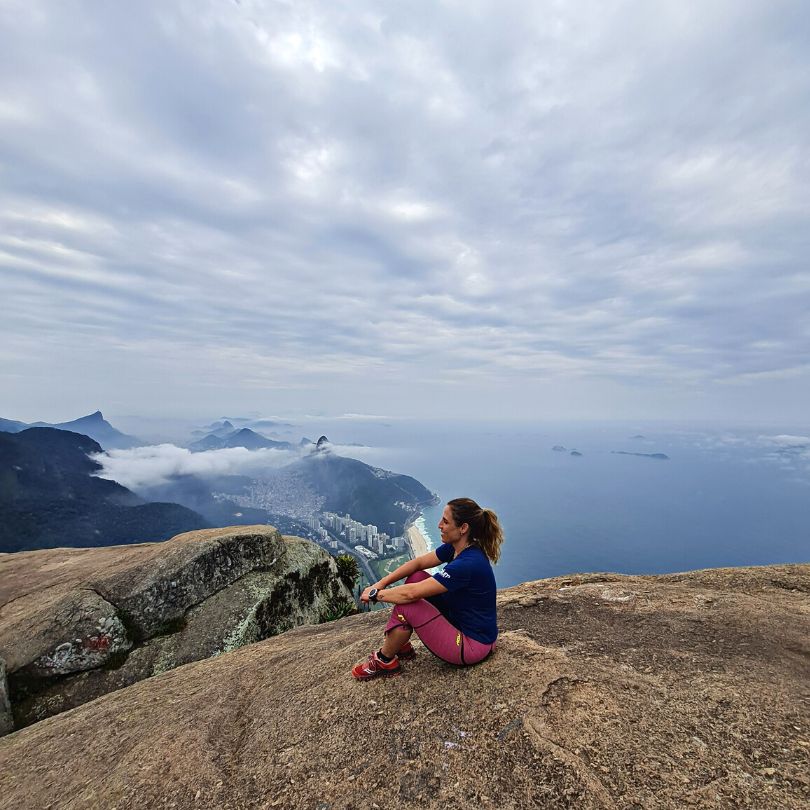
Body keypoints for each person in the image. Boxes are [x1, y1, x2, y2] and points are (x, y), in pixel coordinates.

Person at [351, 497, 503, 680]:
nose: (439, 525)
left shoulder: (467, 564)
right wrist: (381, 582)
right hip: (462, 624)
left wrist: (376, 594)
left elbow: (411, 594)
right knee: (416, 577)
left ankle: (384, 660)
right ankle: (400, 644)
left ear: (463, 528)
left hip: (471, 646)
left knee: (407, 605)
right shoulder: (458, 548)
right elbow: (419, 563)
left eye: (445, 522)